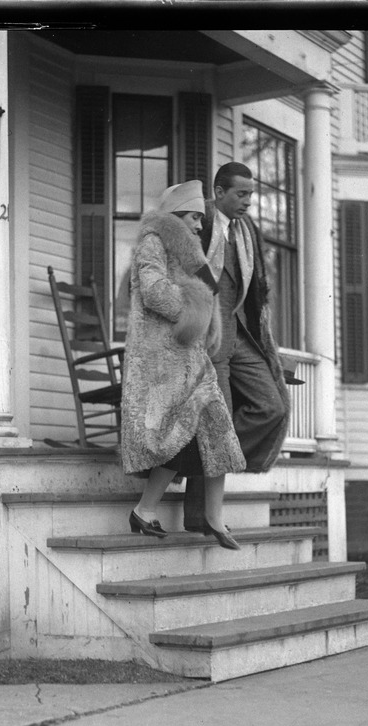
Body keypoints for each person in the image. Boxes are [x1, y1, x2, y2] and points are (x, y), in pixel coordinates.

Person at [121, 180, 247, 550]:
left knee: (217, 426)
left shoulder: (188, 252)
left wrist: (204, 313)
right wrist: (197, 304)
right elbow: (154, 290)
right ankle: (144, 510)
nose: (198, 225)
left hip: (187, 353)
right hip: (161, 355)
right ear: (176, 215)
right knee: (177, 434)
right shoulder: (153, 242)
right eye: (194, 217)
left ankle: (214, 517)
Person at [183, 162, 291, 532]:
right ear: (219, 192)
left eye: (251, 194)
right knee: (218, 422)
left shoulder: (246, 232)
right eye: (241, 194)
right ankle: (201, 514)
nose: (248, 201)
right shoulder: (202, 224)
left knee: (271, 406)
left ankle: (194, 461)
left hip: (241, 332)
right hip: (208, 335)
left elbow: (256, 291)